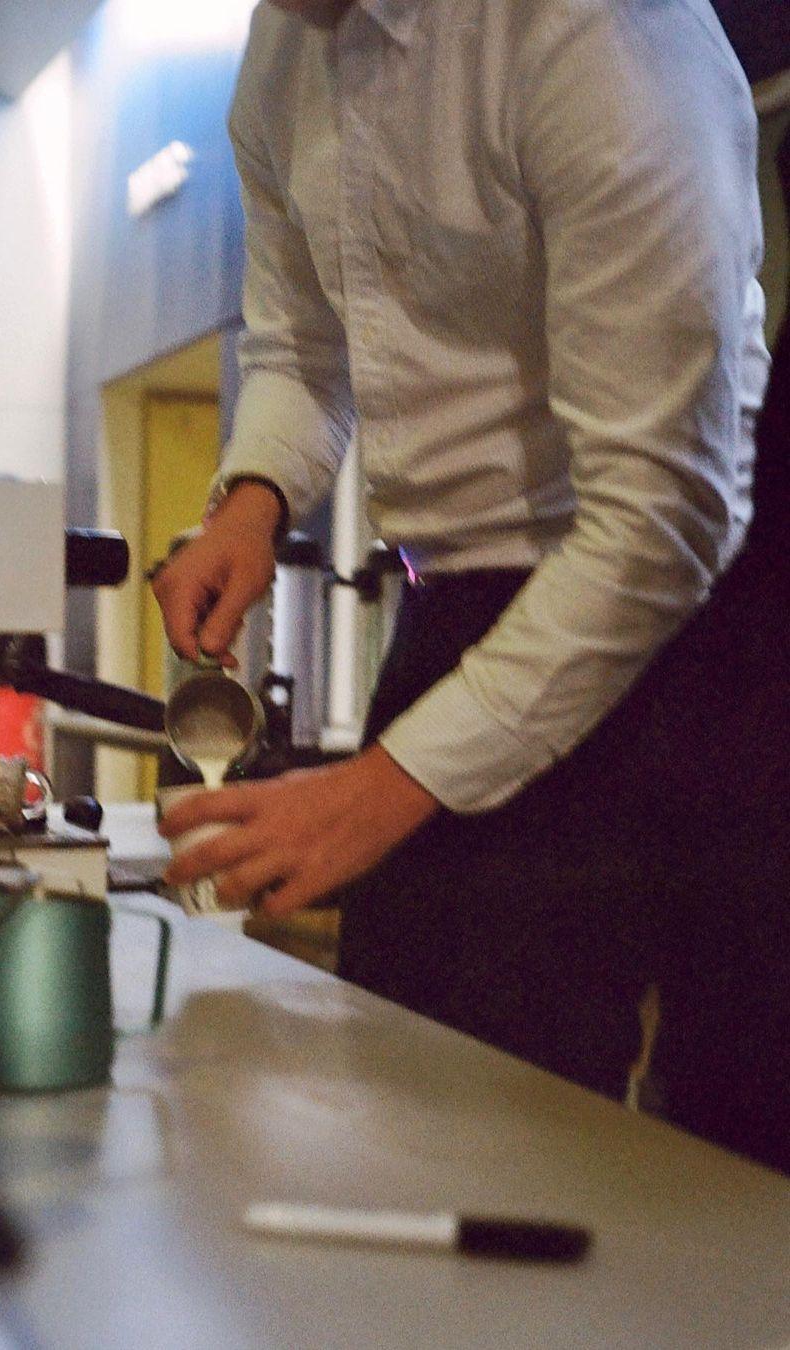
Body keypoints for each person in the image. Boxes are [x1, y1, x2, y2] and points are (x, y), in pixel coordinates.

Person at [153, 0, 785, 1168]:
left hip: (672, 622)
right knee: (406, 1076)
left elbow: (664, 520)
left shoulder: (600, 32)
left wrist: (377, 791)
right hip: (452, 606)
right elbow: (300, 348)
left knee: (646, 1143)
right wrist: (253, 499)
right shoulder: (284, 46)